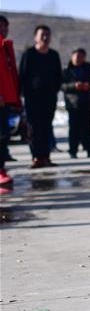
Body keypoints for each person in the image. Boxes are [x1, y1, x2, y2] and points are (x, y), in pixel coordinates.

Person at [19, 24, 62, 168]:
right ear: (35, 37)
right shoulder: (29, 54)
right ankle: (36, 157)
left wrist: (53, 90)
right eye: (42, 34)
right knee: (33, 128)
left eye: (47, 34)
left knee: (46, 127)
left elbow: (58, 77)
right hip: (32, 98)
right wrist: (22, 95)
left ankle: (46, 157)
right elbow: (22, 76)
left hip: (49, 98)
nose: (45, 37)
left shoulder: (54, 55)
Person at [61, 48, 90, 158]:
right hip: (73, 105)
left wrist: (88, 86)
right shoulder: (66, 71)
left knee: (86, 128)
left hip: (87, 103)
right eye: (76, 56)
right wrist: (74, 86)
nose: (78, 58)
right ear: (72, 57)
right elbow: (62, 86)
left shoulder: (89, 69)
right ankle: (73, 151)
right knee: (74, 129)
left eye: (81, 56)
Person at [0, 16, 20, 188]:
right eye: (1, 27)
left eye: (5, 27)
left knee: (4, 135)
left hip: (7, 99)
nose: (4, 30)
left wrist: (15, 97)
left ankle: (1, 169)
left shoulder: (6, 46)